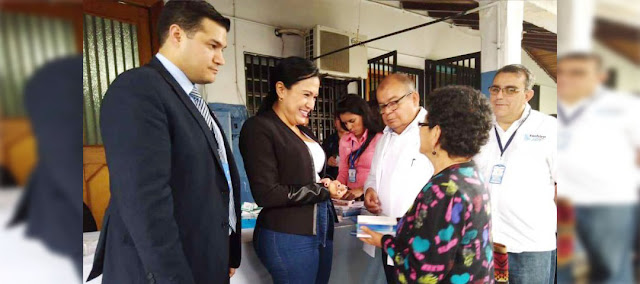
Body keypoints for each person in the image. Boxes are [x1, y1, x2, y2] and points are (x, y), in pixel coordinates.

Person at [87, 2, 241, 283]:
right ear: (177, 34)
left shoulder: (193, 102)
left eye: (223, 49)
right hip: (163, 271)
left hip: (203, 259)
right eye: (212, 46)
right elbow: (146, 202)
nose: (220, 59)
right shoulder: (139, 89)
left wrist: (227, 251)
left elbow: (215, 181)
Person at [360, 85, 495, 283]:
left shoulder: (443, 190)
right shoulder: (470, 174)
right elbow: (434, 227)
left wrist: (384, 241)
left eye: (423, 125)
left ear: (436, 134)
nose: (419, 130)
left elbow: (423, 272)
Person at [239, 56, 347, 284]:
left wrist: (327, 182)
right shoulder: (259, 128)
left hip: (321, 227)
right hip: (287, 234)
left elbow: (311, 175)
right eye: (306, 94)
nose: (311, 104)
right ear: (281, 89)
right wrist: (324, 191)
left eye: (315, 97)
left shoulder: (303, 131)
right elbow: (267, 193)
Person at [556, 53, 639, 284]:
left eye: (578, 73)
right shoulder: (559, 111)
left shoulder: (624, 107)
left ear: (600, 77)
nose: (567, 79)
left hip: (609, 204)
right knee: (568, 271)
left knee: (610, 272)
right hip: (566, 206)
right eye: (562, 72)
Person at [474, 64, 557, 284]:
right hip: (485, 243)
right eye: (495, 89)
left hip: (530, 246)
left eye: (511, 90)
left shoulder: (549, 129)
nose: (500, 96)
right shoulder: (479, 129)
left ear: (528, 95)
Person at [363, 74, 434, 283]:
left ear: (414, 98)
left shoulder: (433, 131)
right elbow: (373, 176)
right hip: (389, 234)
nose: (387, 112)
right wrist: (370, 191)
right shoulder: (385, 137)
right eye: (382, 106)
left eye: (394, 103)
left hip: (423, 240)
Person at [336, 94, 383, 200]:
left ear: (364, 115)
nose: (349, 127)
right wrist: (337, 188)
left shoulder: (379, 138)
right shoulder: (345, 140)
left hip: (373, 197)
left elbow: (384, 175)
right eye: (345, 123)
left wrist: (363, 189)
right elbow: (343, 170)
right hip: (351, 197)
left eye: (352, 121)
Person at [322, 116, 348, 180]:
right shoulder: (329, 140)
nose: (342, 122)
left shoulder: (356, 139)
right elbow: (320, 160)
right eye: (338, 119)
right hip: (332, 180)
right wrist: (327, 161)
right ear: (335, 123)